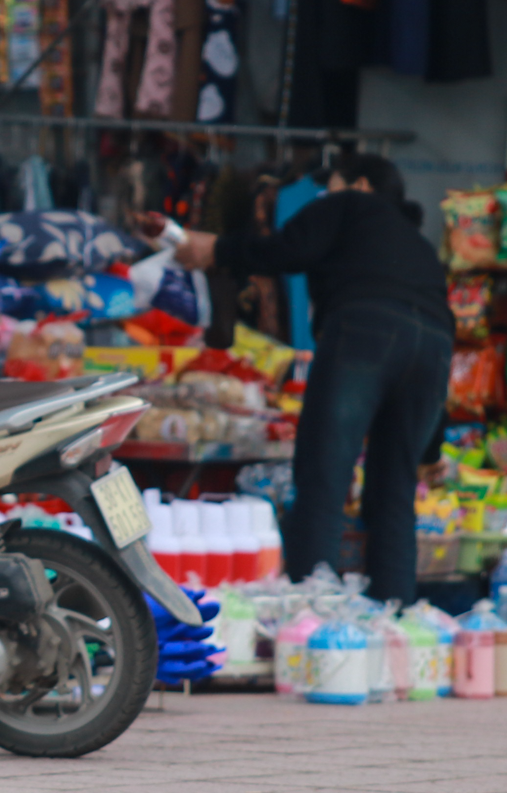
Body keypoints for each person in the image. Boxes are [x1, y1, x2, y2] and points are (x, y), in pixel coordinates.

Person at [171, 152, 453, 602]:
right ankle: (395, 624)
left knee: (324, 479)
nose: (324, 195)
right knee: (394, 496)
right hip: (433, 349)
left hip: (364, 332)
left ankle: (310, 616)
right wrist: (431, 446)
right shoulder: (421, 247)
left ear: (360, 186)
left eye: (332, 184)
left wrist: (216, 250)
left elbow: (290, 248)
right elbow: (437, 343)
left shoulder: (350, 205)